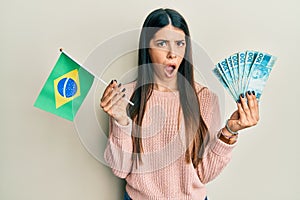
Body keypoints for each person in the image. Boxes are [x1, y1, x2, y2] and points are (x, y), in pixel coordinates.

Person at [100, 8, 259, 200]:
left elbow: (204, 175)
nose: (172, 53)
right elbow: (120, 170)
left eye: (179, 44)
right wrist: (121, 121)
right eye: (161, 43)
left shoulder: (206, 99)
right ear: (146, 49)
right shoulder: (125, 96)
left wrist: (229, 132)